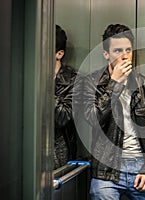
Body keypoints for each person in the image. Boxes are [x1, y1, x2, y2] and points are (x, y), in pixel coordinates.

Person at [82, 24, 145, 199]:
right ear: (106, 54)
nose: (124, 56)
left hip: (140, 167)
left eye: (128, 50)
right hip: (107, 170)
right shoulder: (91, 82)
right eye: (117, 50)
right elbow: (93, 119)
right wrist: (114, 84)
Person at [53, 24, 77, 169]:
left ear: (59, 54)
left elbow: (62, 118)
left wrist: (43, 84)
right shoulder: (22, 74)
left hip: (57, 151)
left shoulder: (74, 80)